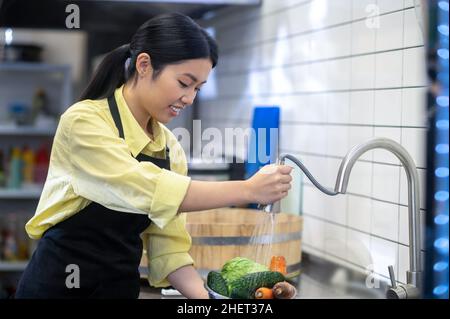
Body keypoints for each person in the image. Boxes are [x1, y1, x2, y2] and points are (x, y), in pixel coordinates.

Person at [15, 13, 292, 299]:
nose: (190, 98)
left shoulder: (169, 148)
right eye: (184, 83)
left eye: (198, 88)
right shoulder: (83, 122)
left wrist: (210, 302)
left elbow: (169, 248)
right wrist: (248, 189)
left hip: (118, 290)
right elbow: (140, 187)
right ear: (144, 65)